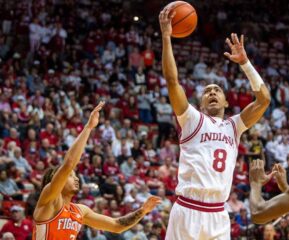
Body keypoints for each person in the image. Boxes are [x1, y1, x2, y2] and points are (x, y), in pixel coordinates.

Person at [159, 6, 271, 240]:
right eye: (207, 91)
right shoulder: (191, 118)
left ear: (226, 101)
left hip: (218, 213)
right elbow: (172, 81)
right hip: (187, 209)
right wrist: (166, 37)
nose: (211, 92)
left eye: (217, 90)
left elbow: (264, 99)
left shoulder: (234, 126)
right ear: (200, 102)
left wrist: (245, 64)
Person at [32, 102, 161, 240]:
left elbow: (117, 226)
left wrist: (142, 211)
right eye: (70, 176)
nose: (76, 178)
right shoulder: (50, 201)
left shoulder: (80, 211)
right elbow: (68, 164)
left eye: (75, 175)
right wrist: (88, 127)